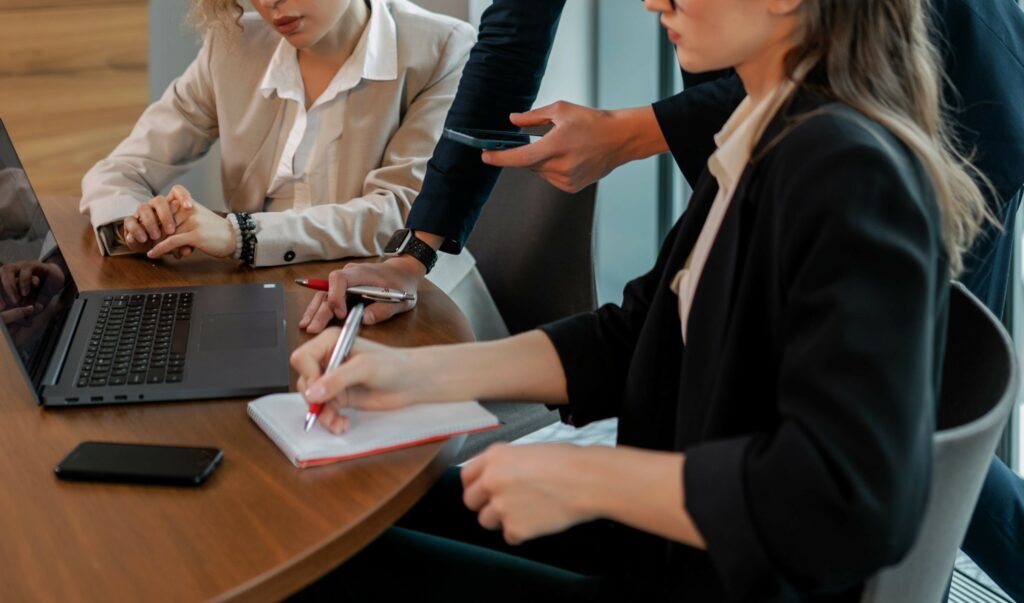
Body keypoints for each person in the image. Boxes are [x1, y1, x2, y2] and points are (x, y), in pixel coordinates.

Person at [303, 0, 1024, 598]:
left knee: (331, 561)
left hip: (721, 571)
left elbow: (844, 499)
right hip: (670, 545)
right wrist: (408, 376)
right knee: (340, 524)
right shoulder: (761, 132)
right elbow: (631, 337)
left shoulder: (847, 174)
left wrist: (591, 477)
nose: (653, 3)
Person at [79, 0, 486, 323]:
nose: (270, 3)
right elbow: (121, 170)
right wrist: (136, 222)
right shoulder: (232, 46)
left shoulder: (441, 48)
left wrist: (240, 235)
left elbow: (401, 213)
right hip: (266, 298)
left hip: (398, 305)